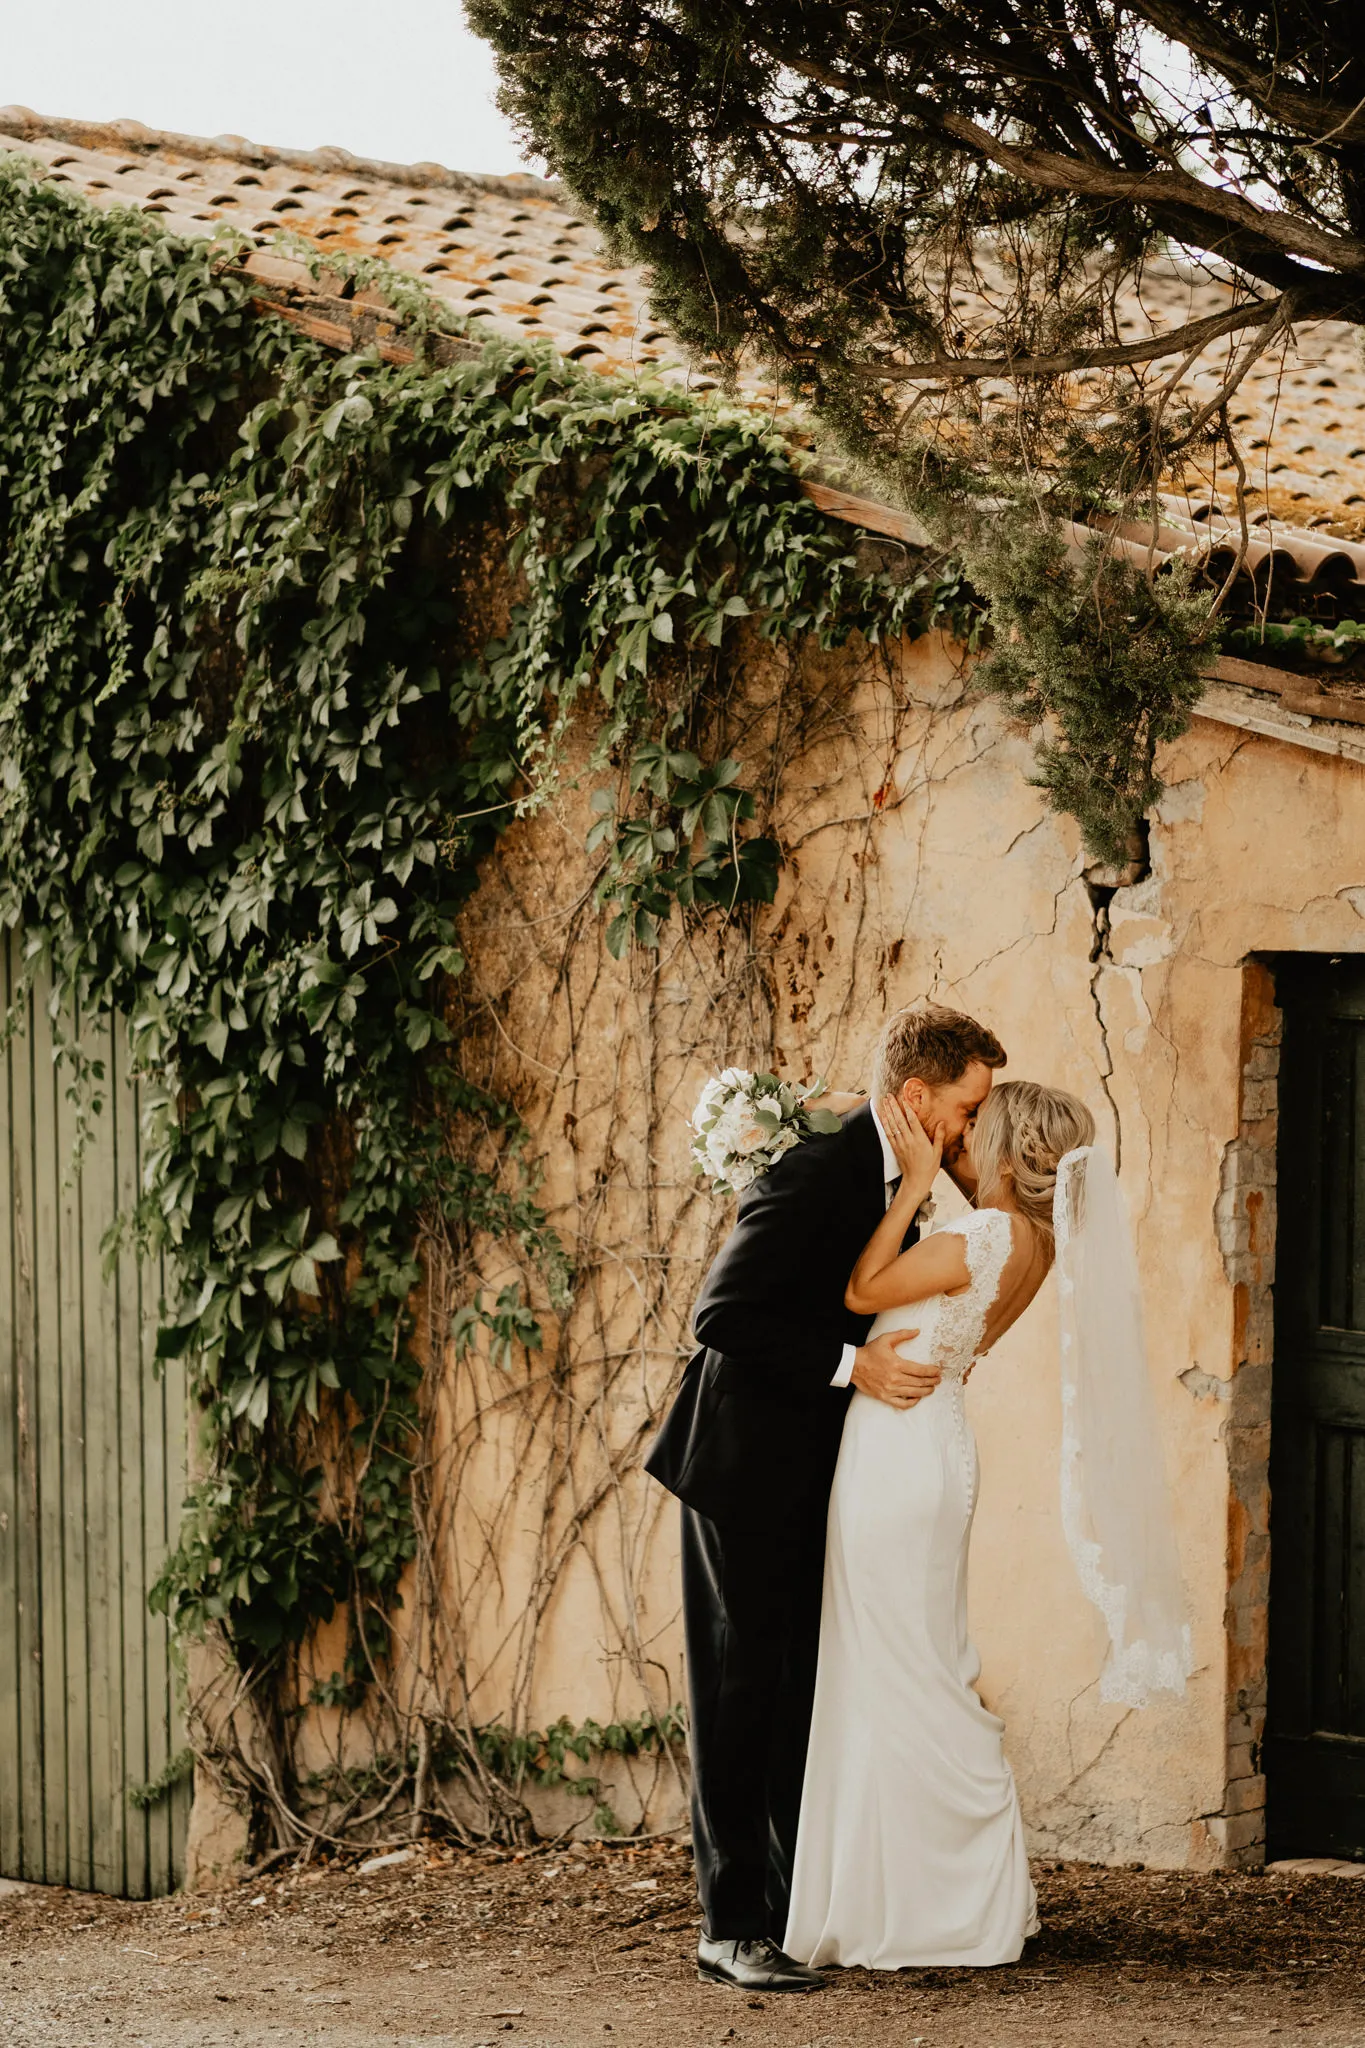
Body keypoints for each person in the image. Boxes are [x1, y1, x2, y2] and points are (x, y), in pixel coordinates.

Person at [644, 1004, 1008, 1994]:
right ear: (918, 1096)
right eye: (966, 1107)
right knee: (737, 1689)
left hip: (810, 1470)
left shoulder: (898, 1176)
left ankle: (787, 1903)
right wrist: (854, 1364)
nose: (973, 1126)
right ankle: (729, 1926)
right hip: (738, 1466)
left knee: (795, 1684)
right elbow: (719, 1312)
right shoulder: (814, 1172)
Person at [783, 1080, 1094, 1969]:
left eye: (972, 1135)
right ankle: (942, 1892)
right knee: (923, 1661)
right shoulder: (1032, 1243)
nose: (958, 1146)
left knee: (894, 1666)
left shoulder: (988, 1232)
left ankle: (926, 1903)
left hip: (897, 1450)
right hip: (936, 1441)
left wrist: (915, 1181)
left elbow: (861, 1287)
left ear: (1009, 1151)